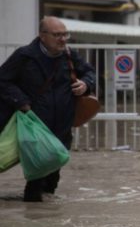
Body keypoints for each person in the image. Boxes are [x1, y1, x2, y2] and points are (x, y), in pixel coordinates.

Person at [0, 16, 96, 202]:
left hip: (62, 123)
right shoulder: (24, 56)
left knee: (53, 170)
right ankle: (34, 206)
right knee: (38, 170)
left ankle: (46, 207)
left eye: (65, 34)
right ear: (42, 36)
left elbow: (89, 72)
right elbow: (3, 80)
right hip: (34, 123)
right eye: (57, 35)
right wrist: (21, 102)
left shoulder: (69, 55)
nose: (63, 39)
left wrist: (86, 84)